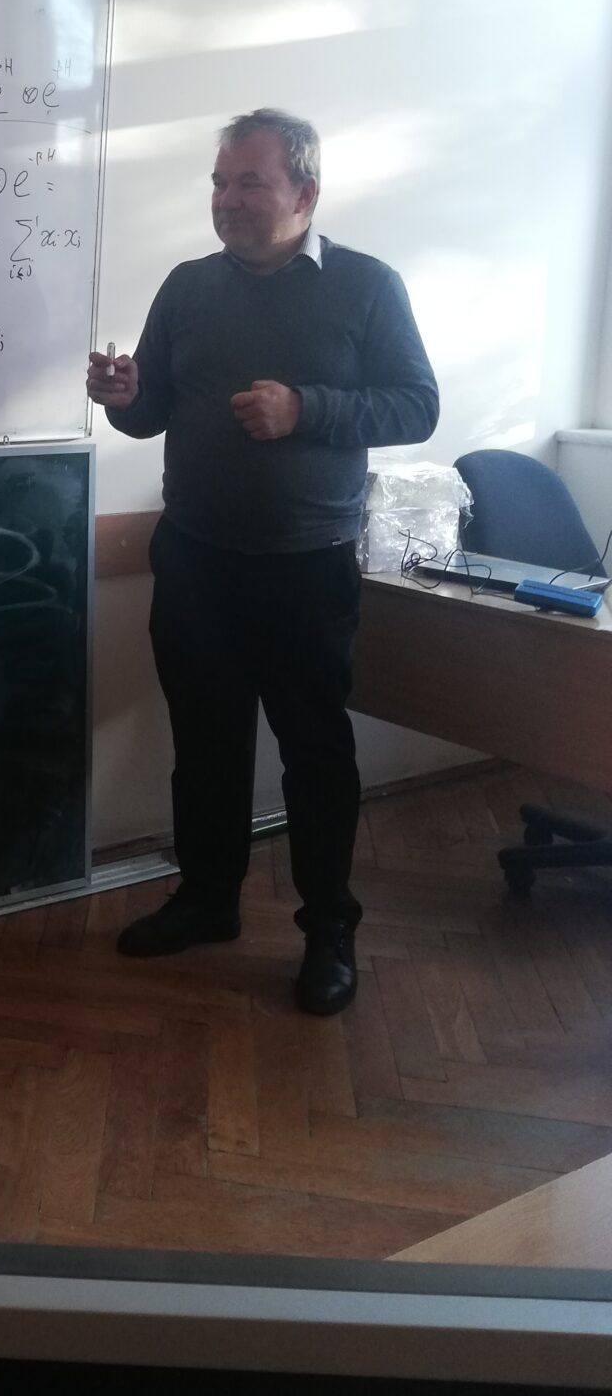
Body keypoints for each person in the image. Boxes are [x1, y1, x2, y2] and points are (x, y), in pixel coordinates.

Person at [88, 109, 437, 1016]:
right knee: (204, 745)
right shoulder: (188, 287)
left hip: (305, 567)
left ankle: (329, 929)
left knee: (315, 753)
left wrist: (305, 409)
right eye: (219, 182)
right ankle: (208, 900)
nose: (227, 200)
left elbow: (415, 406)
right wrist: (122, 396)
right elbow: (152, 411)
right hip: (196, 559)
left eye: (249, 182)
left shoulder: (366, 285)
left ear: (305, 192)